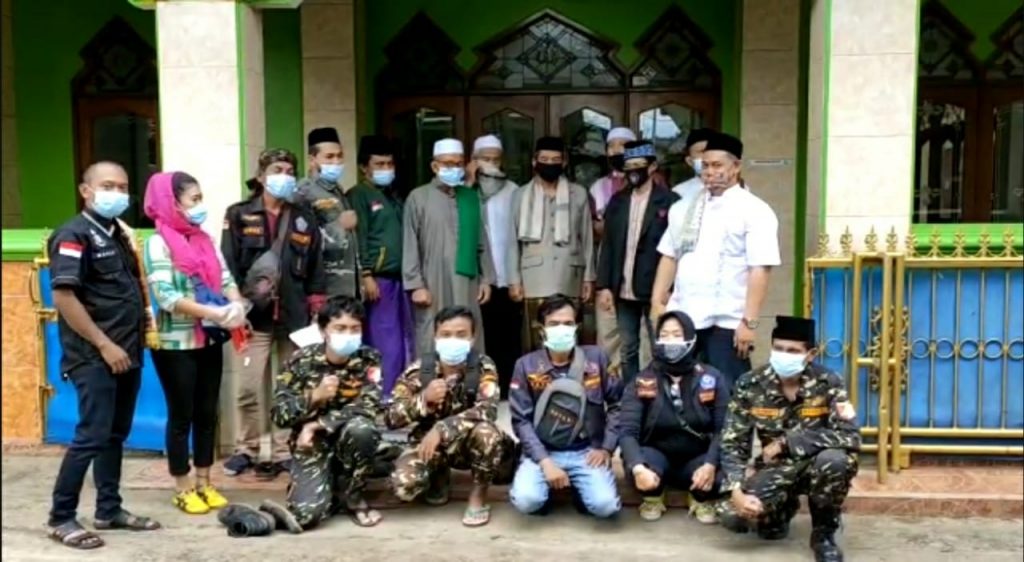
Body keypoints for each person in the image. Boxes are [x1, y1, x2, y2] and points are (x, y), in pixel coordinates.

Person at [46, 161, 161, 550]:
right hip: (95, 354)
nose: (117, 192)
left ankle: (108, 509)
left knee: (115, 434)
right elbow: (64, 296)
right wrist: (103, 344)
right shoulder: (73, 234)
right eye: (108, 185)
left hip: (126, 350)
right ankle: (61, 516)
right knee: (91, 435)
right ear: (86, 190)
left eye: (123, 186)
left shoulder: (116, 234)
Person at [142, 171, 248, 514]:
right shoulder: (157, 243)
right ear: (172, 203)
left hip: (209, 339)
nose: (200, 206)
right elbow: (167, 296)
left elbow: (227, 277)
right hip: (176, 343)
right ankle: (183, 485)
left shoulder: (203, 239)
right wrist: (213, 313)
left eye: (201, 198)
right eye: (194, 200)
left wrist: (234, 305)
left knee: (207, 412)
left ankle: (206, 480)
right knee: (181, 415)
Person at [718, 316, 860, 562]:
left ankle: (823, 534)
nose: (784, 355)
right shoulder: (750, 384)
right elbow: (733, 443)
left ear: (810, 354)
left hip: (817, 465)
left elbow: (850, 436)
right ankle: (781, 510)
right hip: (777, 468)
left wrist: (788, 442)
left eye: (793, 351)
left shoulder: (829, 382)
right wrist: (736, 490)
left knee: (836, 461)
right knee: (732, 516)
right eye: (779, 348)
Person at [221, 148, 326, 479]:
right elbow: (227, 265)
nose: (285, 175)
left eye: (290, 170)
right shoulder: (239, 215)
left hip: (294, 317)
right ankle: (246, 449)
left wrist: (316, 310)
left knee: (290, 388)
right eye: (278, 169)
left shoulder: (303, 217)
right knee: (248, 388)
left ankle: (284, 449)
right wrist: (236, 307)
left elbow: (315, 267)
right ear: (262, 176)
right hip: (254, 316)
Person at [651, 132, 780, 387]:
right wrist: (657, 302)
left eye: (717, 165)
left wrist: (749, 322)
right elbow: (669, 256)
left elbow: (760, 269)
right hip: (684, 316)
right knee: (680, 387)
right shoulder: (684, 207)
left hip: (728, 322)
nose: (710, 172)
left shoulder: (755, 210)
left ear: (736, 166)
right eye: (706, 165)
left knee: (728, 390)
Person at [386, 306, 517, 527]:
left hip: (471, 444)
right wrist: (423, 400)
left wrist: (442, 429)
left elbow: (488, 410)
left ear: (472, 337)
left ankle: (478, 495)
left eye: (461, 334)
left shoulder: (483, 366)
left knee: (486, 432)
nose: (453, 340)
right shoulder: (419, 370)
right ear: (436, 336)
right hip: (432, 448)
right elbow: (390, 418)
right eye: (446, 335)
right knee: (403, 486)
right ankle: (438, 476)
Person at [269, 296, 385, 530]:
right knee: (306, 516)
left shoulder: (369, 358)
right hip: (313, 445)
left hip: (347, 437)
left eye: (355, 328)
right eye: (340, 328)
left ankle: (354, 496)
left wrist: (316, 424)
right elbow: (279, 414)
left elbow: (370, 406)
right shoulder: (300, 361)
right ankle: (328, 486)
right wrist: (314, 397)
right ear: (323, 331)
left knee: (363, 429)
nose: (348, 334)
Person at [508, 295, 622, 519]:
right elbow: (521, 420)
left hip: (587, 451)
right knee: (527, 501)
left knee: (605, 506)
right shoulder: (526, 365)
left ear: (577, 327)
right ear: (541, 329)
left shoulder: (596, 358)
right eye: (553, 324)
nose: (562, 328)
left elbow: (617, 405)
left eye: (568, 324)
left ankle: (582, 490)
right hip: (543, 451)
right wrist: (544, 461)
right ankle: (546, 490)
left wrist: (606, 448)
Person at [619, 311, 729, 523]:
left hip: (697, 456)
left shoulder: (711, 377)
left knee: (719, 476)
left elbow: (723, 429)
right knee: (636, 467)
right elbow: (627, 432)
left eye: (677, 335)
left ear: (691, 338)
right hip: (655, 455)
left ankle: (698, 497)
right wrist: (638, 467)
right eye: (664, 335)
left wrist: (709, 464)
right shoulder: (643, 379)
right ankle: (653, 497)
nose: (670, 341)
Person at [596, 140, 679, 384]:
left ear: (652, 167)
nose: (633, 172)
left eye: (639, 166)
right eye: (628, 166)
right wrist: (604, 286)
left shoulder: (671, 201)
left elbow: (676, 251)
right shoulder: (618, 201)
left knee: (659, 345)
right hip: (623, 290)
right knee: (627, 348)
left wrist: (669, 288)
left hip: (655, 289)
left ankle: (660, 394)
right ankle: (631, 396)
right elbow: (608, 246)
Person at [403, 138, 495, 356]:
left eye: (458, 163)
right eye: (447, 164)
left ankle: (473, 382)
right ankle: (429, 383)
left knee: (468, 328)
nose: (453, 168)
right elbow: (410, 242)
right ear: (435, 166)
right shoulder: (418, 197)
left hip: (467, 281)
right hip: (431, 279)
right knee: (432, 331)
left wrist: (486, 279)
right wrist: (416, 284)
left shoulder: (470, 198)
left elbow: (482, 242)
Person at [507, 137, 595, 352]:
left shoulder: (579, 193)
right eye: (544, 159)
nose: (550, 163)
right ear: (534, 162)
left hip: (570, 275)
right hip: (533, 278)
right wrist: (513, 280)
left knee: (570, 337)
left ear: (564, 163)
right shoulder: (519, 195)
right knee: (536, 338)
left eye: (555, 159)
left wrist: (589, 277)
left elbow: (587, 237)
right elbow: (511, 240)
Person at [347, 134, 414, 398]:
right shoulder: (359, 195)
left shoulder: (392, 197)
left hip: (400, 279)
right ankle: (382, 396)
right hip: (378, 280)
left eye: (389, 164)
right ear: (365, 167)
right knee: (383, 341)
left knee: (401, 341)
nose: (386, 169)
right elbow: (359, 237)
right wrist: (366, 274)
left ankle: (398, 394)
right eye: (379, 164)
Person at [467, 134, 522, 396]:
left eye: (495, 160)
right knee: (479, 334)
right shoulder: (466, 191)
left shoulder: (513, 191)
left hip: (507, 276)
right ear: (474, 161)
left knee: (508, 335)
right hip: (476, 278)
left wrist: (516, 278)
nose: (490, 164)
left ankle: (507, 388)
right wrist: (468, 181)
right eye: (484, 159)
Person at [588, 126, 635, 380]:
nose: (617, 150)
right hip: (607, 267)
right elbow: (595, 228)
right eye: (612, 145)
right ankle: (610, 383)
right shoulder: (597, 188)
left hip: (639, 270)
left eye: (623, 145)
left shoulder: (652, 184)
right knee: (607, 329)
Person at [295, 127, 360, 299]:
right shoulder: (304, 192)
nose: (336, 162)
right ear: (312, 159)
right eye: (329, 157)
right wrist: (339, 226)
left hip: (346, 284)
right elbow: (300, 240)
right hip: (324, 286)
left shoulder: (336, 190)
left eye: (339, 156)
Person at [671, 128, 715, 200]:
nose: (709, 155)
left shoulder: (736, 190)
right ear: (690, 161)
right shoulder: (678, 193)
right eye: (703, 151)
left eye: (714, 150)